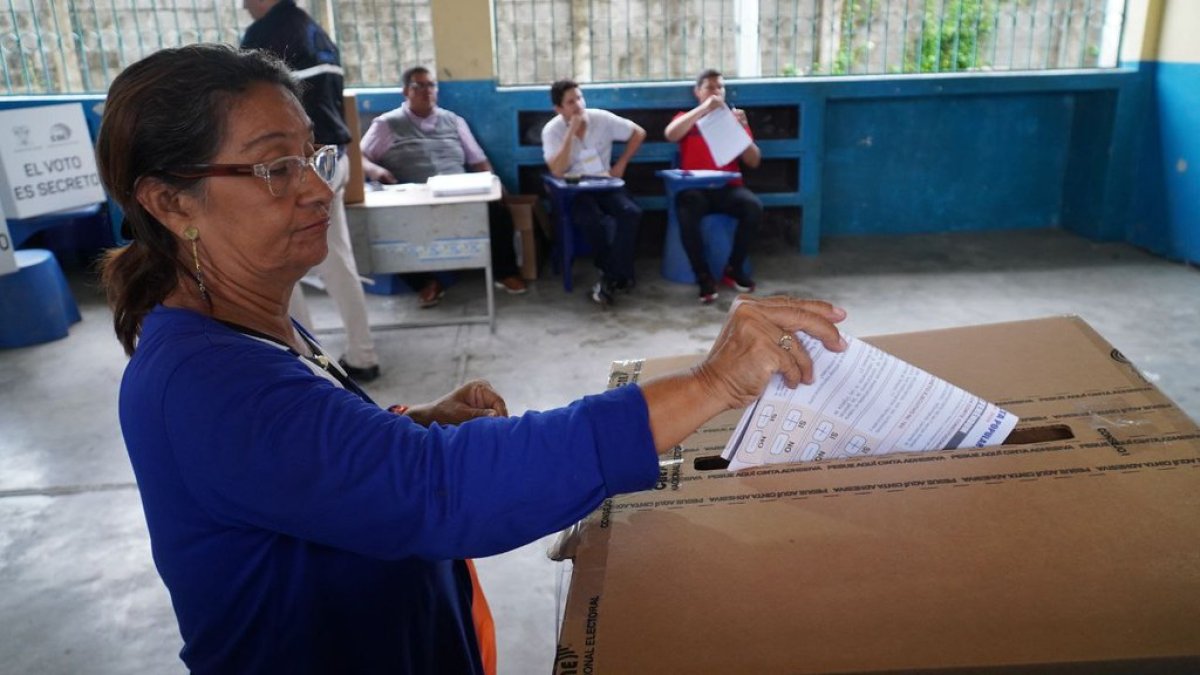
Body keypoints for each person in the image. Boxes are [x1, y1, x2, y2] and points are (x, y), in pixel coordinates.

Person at [95, 43, 848, 673]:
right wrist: (711, 382)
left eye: (313, 157)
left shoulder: (248, 323)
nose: (318, 189)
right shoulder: (203, 383)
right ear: (169, 201)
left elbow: (300, 459)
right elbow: (438, 490)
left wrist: (408, 421)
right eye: (272, 168)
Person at [240, 0, 381, 382]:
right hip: (333, 159)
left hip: (296, 165)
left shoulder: (263, 36)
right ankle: (362, 353)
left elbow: (247, 111)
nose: (242, 5)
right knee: (337, 259)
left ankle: (306, 363)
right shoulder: (318, 34)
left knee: (280, 265)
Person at [360, 66, 527, 308]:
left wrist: (495, 182)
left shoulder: (454, 121)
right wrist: (375, 170)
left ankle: (505, 272)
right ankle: (425, 283)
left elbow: (478, 160)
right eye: (419, 86)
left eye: (431, 85)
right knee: (386, 226)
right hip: (412, 198)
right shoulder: (387, 124)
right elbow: (359, 156)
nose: (427, 91)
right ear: (406, 91)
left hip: (456, 192)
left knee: (498, 211)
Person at [541, 79, 645, 306]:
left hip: (605, 183)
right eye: (570, 102)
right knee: (590, 219)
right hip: (575, 191)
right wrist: (570, 132)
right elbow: (557, 171)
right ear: (559, 109)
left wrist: (621, 164)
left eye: (579, 98)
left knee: (631, 212)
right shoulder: (552, 130)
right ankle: (615, 273)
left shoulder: (601, 119)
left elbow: (639, 133)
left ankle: (609, 276)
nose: (578, 105)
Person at [664, 69, 764, 305]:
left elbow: (754, 160)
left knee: (753, 208)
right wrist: (704, 110)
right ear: (697, 92)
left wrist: (741, 130)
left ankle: (734, 268)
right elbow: (671, 134)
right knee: (686, 212)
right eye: (710, 87)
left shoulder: (734, 119)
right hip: (695, 189)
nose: (716, 92)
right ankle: (703, 276)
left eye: (720, 87)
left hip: (728, 187)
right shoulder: (686, 117)